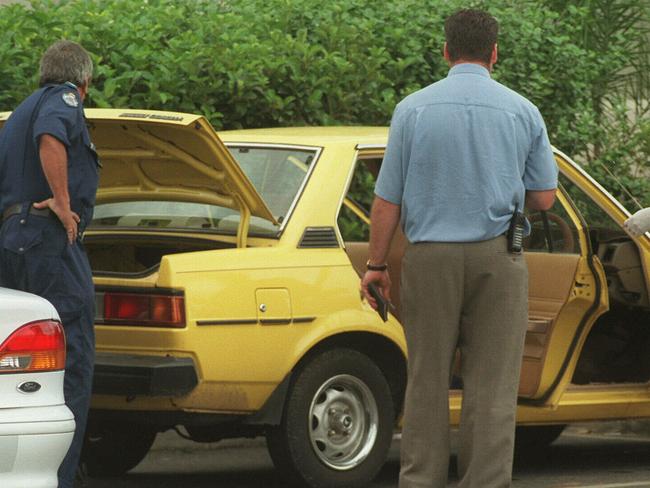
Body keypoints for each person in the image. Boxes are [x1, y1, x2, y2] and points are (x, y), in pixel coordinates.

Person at [361, 9, 558, 488]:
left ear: (446, 51)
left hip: (429, 259)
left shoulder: (413, 109)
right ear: (494, 53)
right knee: (492, 387)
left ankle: (421, 480)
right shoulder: (522, 110)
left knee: (426, 378)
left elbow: (387, 200)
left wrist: (376, 265)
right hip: (498, 259)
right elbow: (544, 197)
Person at [0, 40, 99, 488]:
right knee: (71, 359)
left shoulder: (18, 111)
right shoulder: (63, 99)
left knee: (22, 367)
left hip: (14, 241)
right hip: (47, 244)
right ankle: (57, 479)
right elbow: (52, 135)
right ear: (84, 82)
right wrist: (62, 203)